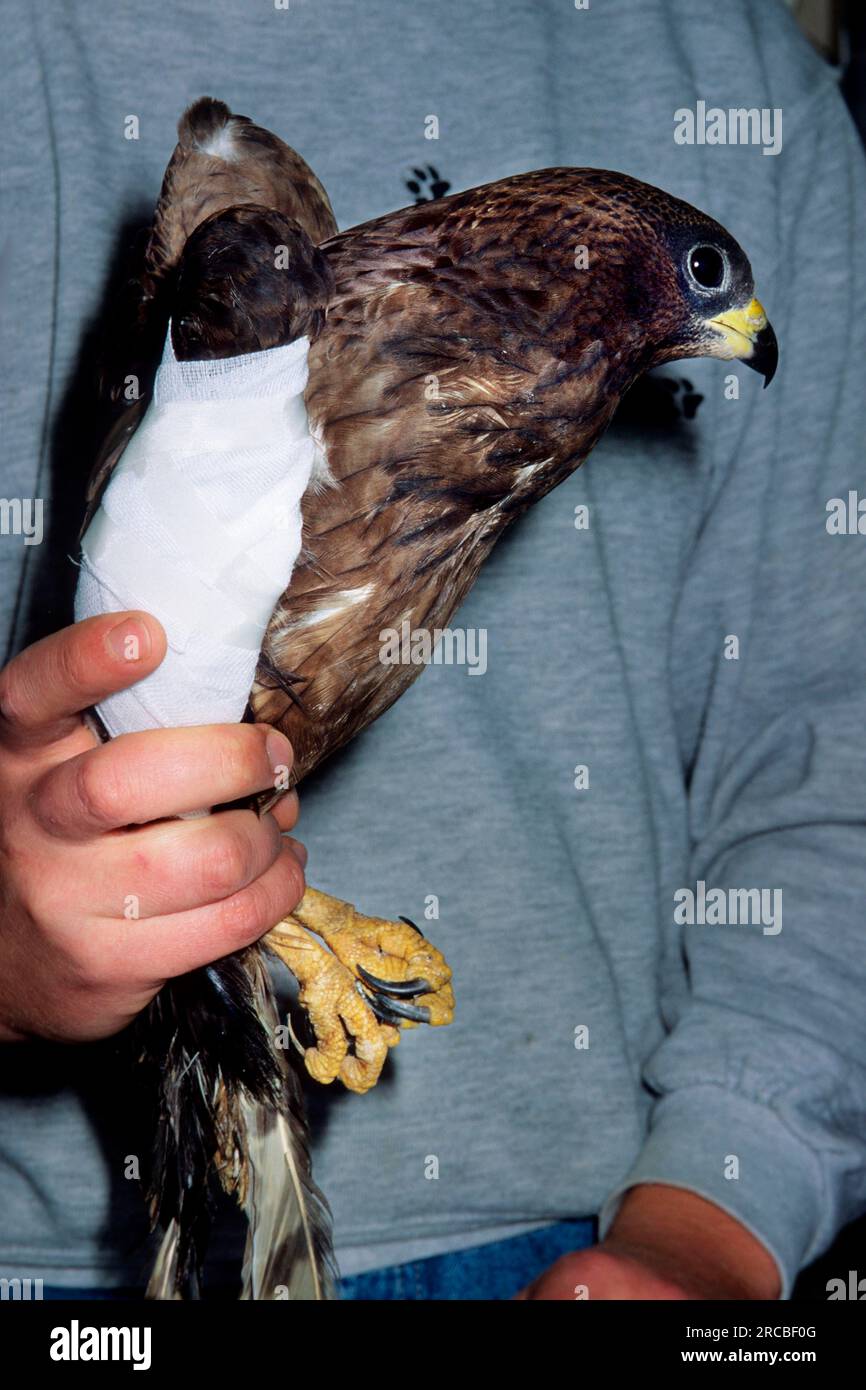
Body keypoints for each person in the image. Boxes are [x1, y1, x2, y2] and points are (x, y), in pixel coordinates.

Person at [1, 0, 865, 1301]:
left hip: (606, 1220)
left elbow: (824, 755)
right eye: (706, 290)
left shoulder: (738, 78)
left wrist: (718, 1214)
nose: (735, 329)